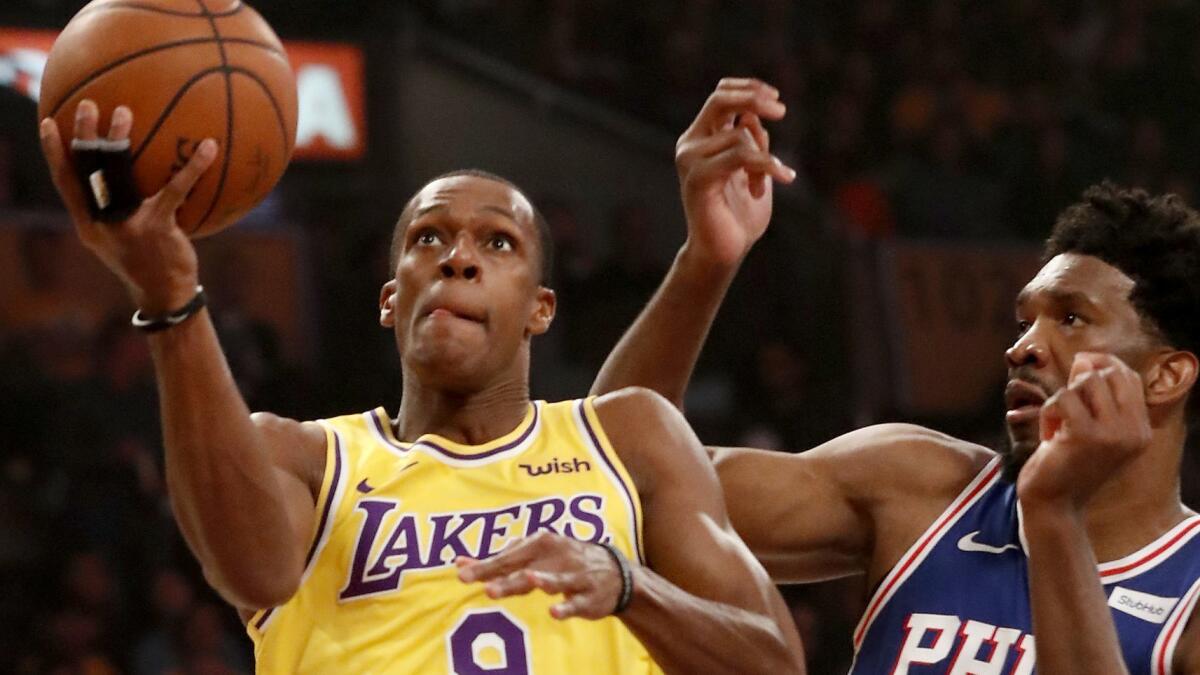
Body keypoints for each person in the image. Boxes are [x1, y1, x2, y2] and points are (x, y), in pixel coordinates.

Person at [37, 97, 805, 674]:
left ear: (542, 310)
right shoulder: (304, 456)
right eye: (428, 238)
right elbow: (252, 571)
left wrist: (630, 583)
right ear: (389, 298)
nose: (457, 258)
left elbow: (775, 659)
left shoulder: (629, 436)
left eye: (496, 243)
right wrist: (172, 294)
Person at [594, 77, 1200, 674]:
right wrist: (706, 261)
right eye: (1023, 323)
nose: (1023, 348)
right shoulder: (923, 488)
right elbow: (614, 482)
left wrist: (1054, 513)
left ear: (1166, 376)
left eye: (1071, 318)